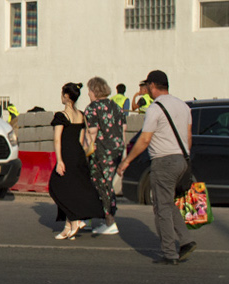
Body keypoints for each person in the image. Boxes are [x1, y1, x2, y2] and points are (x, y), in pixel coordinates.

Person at [117, 70, 195, 265]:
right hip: (182, 160)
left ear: (152, 86)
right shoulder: (183, 106)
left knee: (161, 207)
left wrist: (127, 161)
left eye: (147, 87)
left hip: (163, 161)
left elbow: (144, 139)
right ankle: (185, 241)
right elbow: (188, 138)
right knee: (169, 203)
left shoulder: (154, 108)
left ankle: (170, 253)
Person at [47, 82, 102, 240]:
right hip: (78, 154)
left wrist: (59, 160)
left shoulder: (61, 116)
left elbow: (57, 140)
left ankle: (76, 218)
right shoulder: (81, 115)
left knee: (56, 187)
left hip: (67, 154)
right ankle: (68, 226)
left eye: (62, 94)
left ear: (66, 96)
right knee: (72, 189)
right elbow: (82, 138)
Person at [83, 76, 128, 235]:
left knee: (100, 183)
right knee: (107, 182)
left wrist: (85, 151)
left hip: (102, 150)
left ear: (95, 91)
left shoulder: (92, 108)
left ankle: (109, 220)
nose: (88, 93)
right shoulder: (116, 106)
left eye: (89, 90)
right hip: (116, 149)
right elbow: (123, 130)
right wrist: (123, 155)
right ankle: (105, 217)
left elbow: (92, 133)